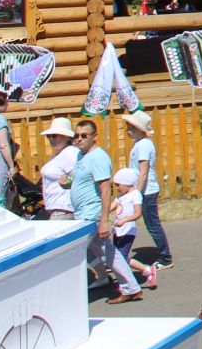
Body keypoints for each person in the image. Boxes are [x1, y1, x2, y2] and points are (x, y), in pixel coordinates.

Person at [73, 118, 142, 302]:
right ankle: (131, 288)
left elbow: (105, 189)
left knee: (75, 252)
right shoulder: (81, 156)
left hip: (91, 215)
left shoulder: (98, 157)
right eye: (76, 135)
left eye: (84, 136)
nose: (79, 139)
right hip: (82, 213)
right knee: (109, 252)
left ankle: (69, 297)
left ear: (94, 137)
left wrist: (104, 220)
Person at [120, 110, 174, 269]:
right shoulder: (140, 143)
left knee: (152, 224)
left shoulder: (143, 145)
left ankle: (165, 258)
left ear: (138, 128)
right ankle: (121, 253)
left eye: (130, 126)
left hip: (146, 191)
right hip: (143, 190)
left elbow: (143, 171)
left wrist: (136, 191)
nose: (127, 129)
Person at [111, 167, 161, 289]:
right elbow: (111, 206)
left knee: (121, 258)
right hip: (117, 231)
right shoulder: (120, 196)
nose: (116, 188)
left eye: (118, 185)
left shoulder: (135, 195)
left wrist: (124, 220)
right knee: (116, 257)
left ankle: (147, 269)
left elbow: (137, 213)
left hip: (128, 231)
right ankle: (124, 280)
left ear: (127, 183)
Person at [39, 116, 80, 220]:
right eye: (49, 136)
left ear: (66, 137)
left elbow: (78, 176)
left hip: (63, 209)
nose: (51, 139)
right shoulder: (59, 154)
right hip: (56, 208)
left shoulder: (70, 152)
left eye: (55, 136)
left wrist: (65, 182)